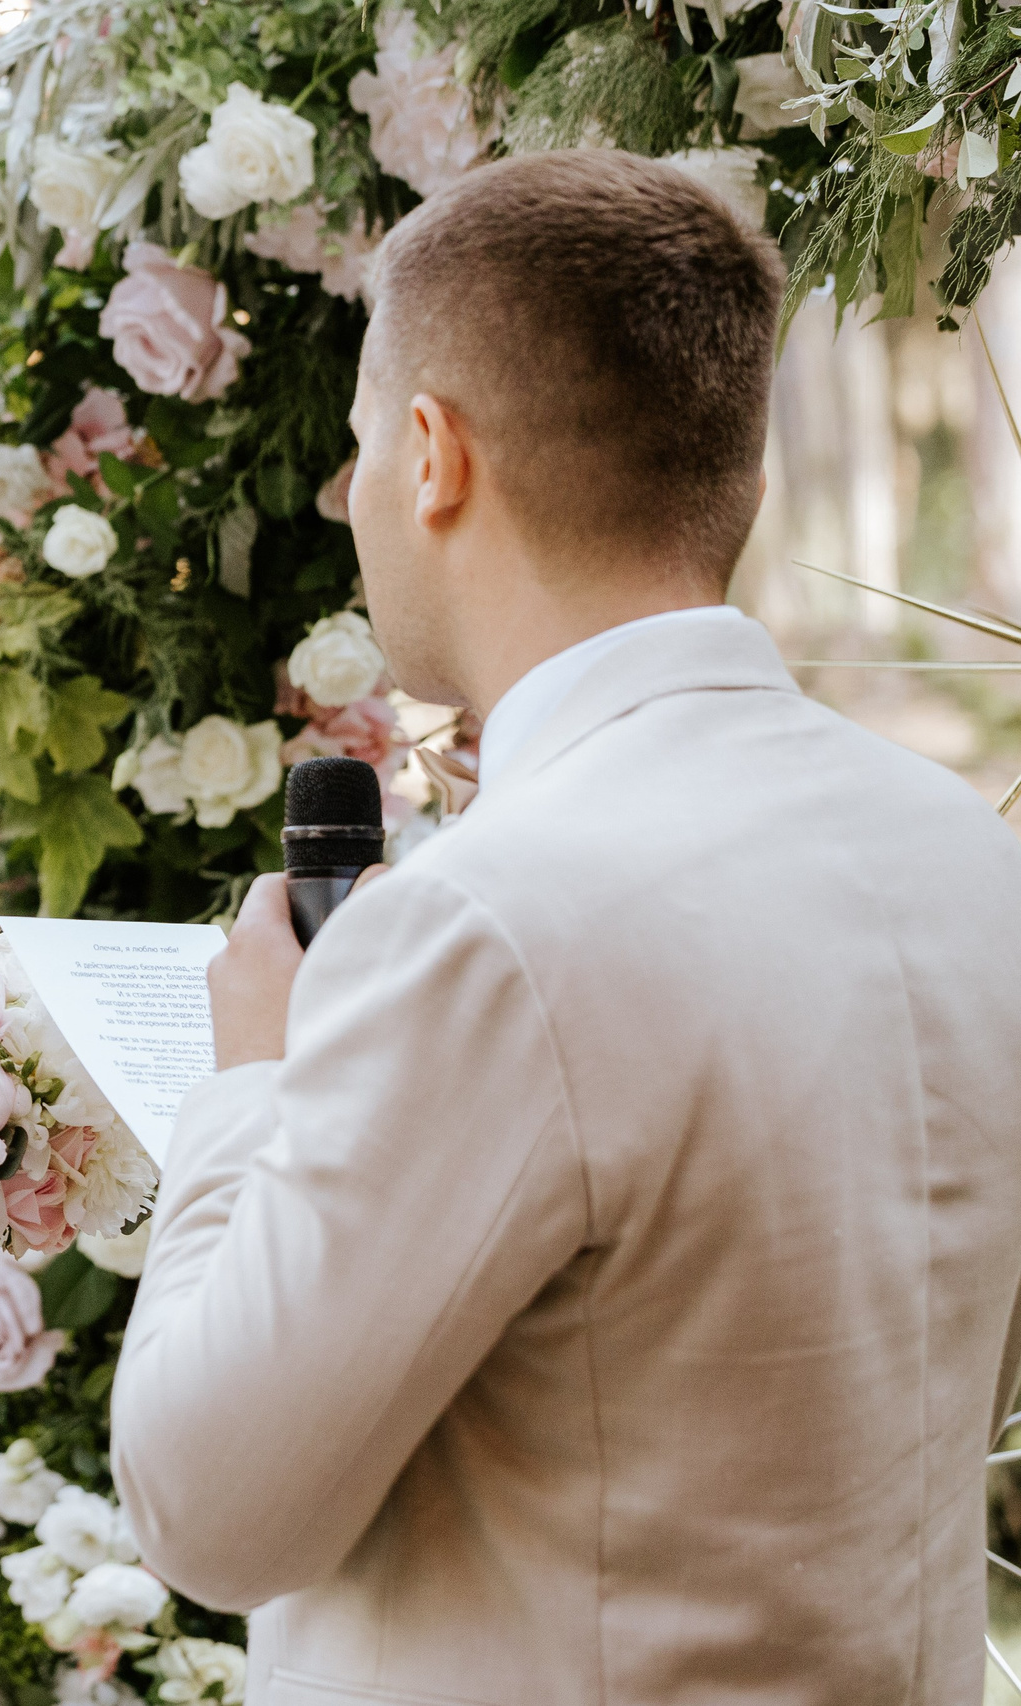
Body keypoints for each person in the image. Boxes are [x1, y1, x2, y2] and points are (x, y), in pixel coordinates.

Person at [109, 150, 1021, 1704]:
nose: (352, 501)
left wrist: (254, 1076)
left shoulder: (480, 928)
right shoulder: (960, 847)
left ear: (432, 454)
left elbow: (212, 1509)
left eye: (354, 454)